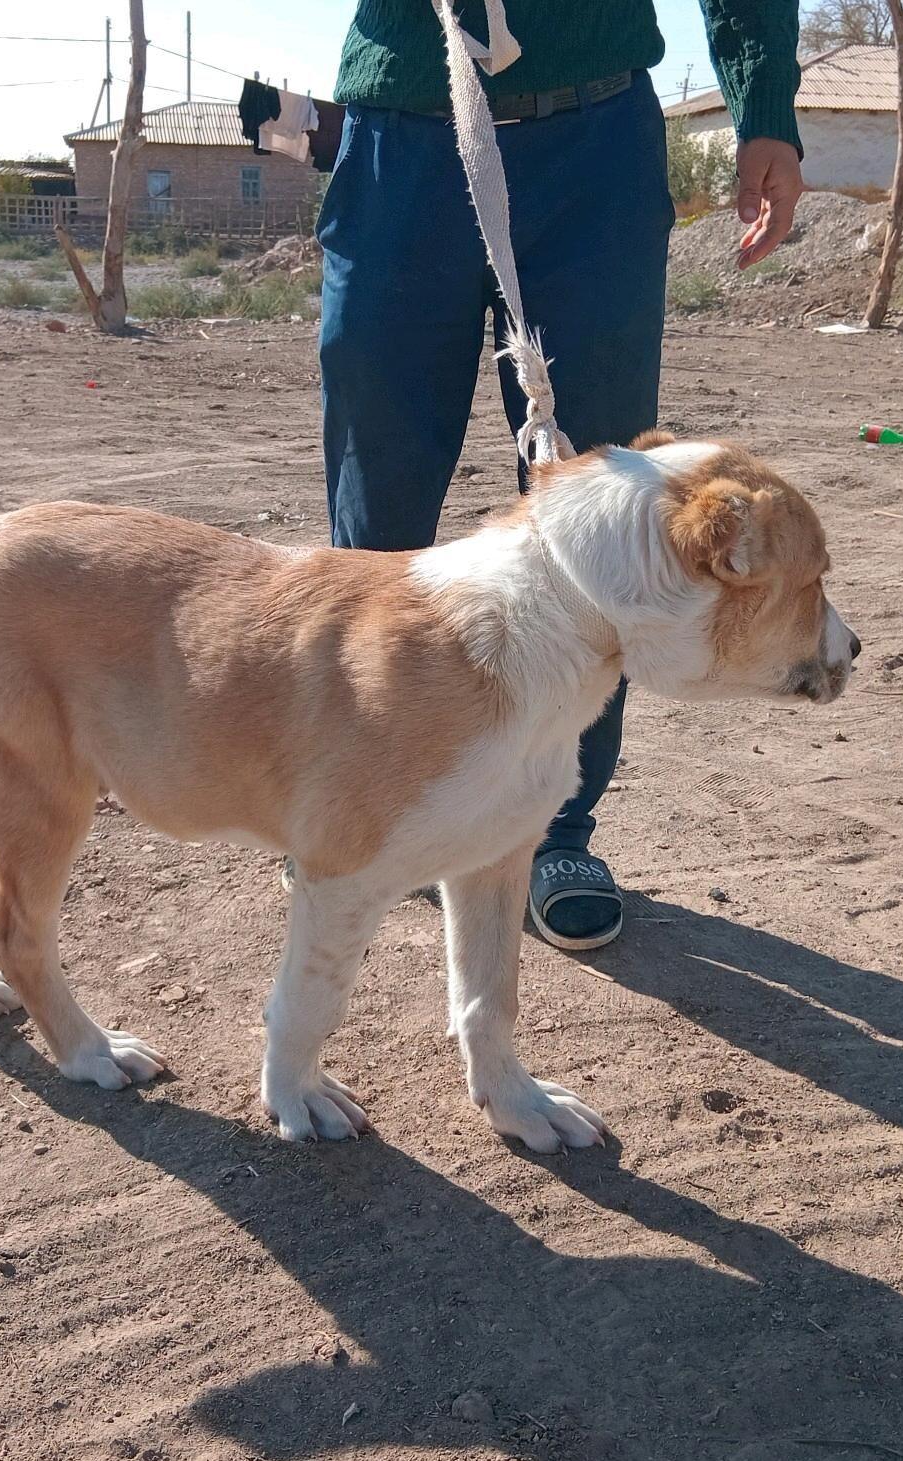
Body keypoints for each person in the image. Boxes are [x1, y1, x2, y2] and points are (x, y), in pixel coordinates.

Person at [317, 0, 804, 950]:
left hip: (596, 146)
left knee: (598, 517)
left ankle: (554, 829)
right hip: (401, 137)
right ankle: (360, 796)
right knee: (378, 503)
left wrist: (765, 107)